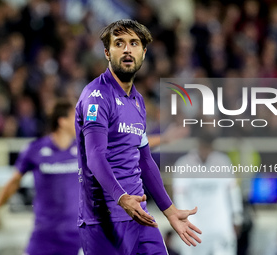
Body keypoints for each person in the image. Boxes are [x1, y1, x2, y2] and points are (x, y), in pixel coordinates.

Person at [75, 19, 202, 255]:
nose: (126, 49)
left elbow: (145, 160)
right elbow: (94, 156)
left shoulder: (138, 102)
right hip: (104, 220)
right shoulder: (96, 96)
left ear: (143, 52)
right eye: (119, 43)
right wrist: (122, 198)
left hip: (140, 217)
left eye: (134, 43)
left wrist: (170, 211)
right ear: (107, 52)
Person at [0, 99, 81, 255]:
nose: (79, 121)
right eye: (74, 117)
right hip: (44, 233)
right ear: (62, 121)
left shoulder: (83, 151)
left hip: (75, 234)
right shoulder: (35, 150)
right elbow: (14, 182)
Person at [173, 135, 243, 255]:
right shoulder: (183, 164)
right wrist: (184, 221)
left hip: (221, 227)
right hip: (195, 227)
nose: (206, 149)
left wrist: (237, 217)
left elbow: (233, 192)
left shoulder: (223, 161)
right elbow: (179, 197)